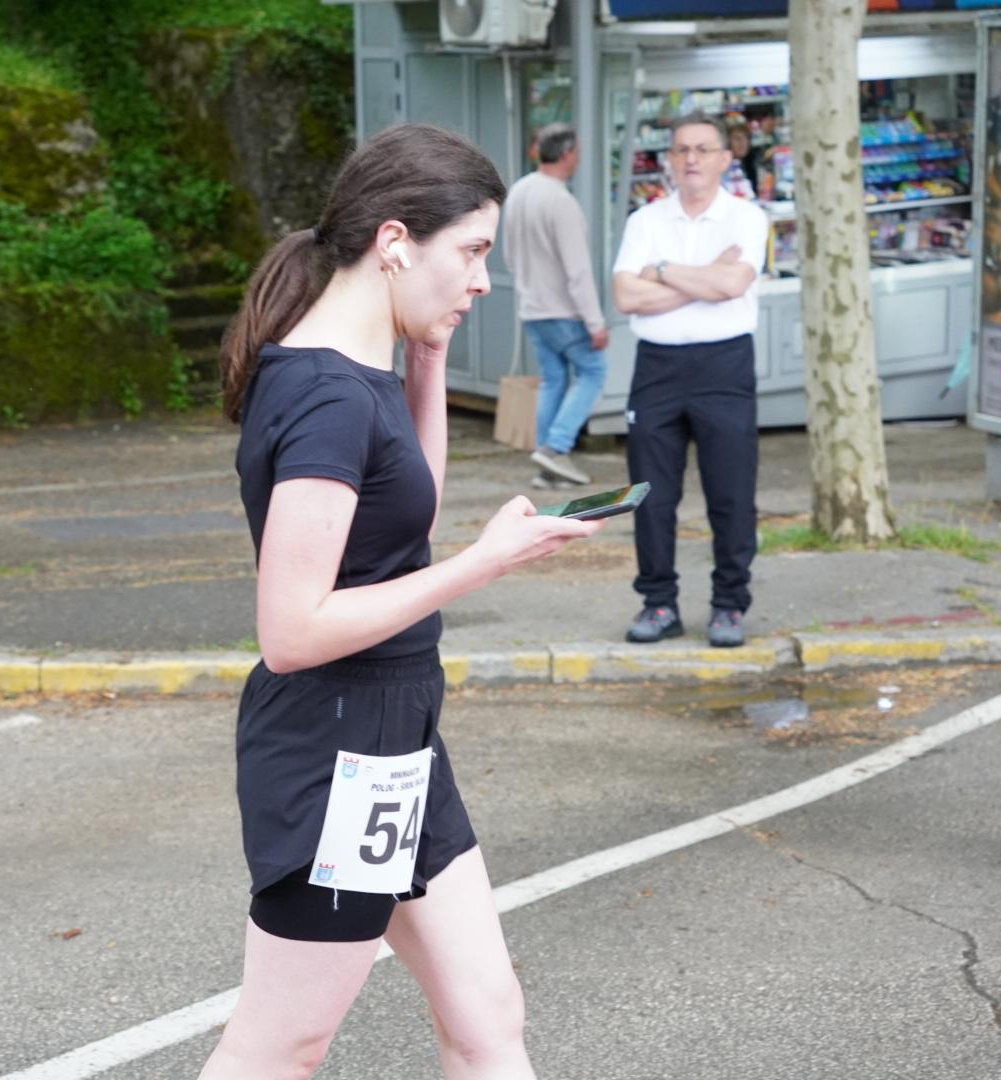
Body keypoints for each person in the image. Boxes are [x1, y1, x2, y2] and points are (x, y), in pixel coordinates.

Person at [201, 123, 600, 1079]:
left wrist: (425, 368)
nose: (482, 281)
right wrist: (485, 562)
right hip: (339, 750)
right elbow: (293, 631)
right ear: (393, 243)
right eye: (470, 252)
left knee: (488, 1017)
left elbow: (399, 511)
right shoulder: (328, 396)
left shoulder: (358, 372)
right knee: (281, 1047)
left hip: (394, 739)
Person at [610, 113, 770, 649]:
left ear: (727, 158)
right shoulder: (646, 220)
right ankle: (658, 604)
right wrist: (699, 280)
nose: (692, 159)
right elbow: (627, 297)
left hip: (724, 367)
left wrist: (660, 272)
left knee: (731, 495)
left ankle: (729, 605)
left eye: (704, 149)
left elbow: (733, 285)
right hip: (657, 368)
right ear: (670, 160)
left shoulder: (747, 218)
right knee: (651, 496)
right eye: (681, 150)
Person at [501, 122, 610, 490]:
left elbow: (509, 255)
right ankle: (555, 447)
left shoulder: (518, 191)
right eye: (576, 150)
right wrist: (595, 322)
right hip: (563, 309)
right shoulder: (561, 201)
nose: (578, 157)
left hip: (531, 305)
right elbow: (577, 269)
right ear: (566, 154)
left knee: (554, 379)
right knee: (593, 371)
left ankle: (546, 462)